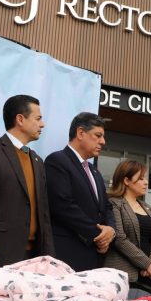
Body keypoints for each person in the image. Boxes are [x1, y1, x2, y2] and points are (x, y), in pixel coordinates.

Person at [0, 95, 54, 267]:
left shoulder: (37, 160)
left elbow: (44, 215)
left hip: (33, 258)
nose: (42, 124)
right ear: (20, 119)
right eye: (38, 118)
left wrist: (49, 257)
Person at [45, 112, 116, 272]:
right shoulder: (57, 161)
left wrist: (110, 230)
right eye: (98, 135)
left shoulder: (94, 171)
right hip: (67, 255)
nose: (103, 142)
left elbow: (107, 207)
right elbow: (62, 206)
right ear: (81, 133)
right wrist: (99, 235)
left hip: (93, 257)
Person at [104, 160, 151, 286]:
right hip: (124, 275)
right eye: (141, 178)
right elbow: (119, 238)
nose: (146, 182)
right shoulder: (114, 203)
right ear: (126, 181)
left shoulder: (146, 206)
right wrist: (147, 263)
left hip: (147, 274)